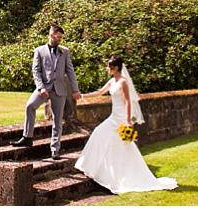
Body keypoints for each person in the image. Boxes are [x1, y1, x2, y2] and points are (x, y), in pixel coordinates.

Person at [74, 56, 178, 194]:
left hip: (121, 117)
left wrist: (128, 121)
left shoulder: (123, 82)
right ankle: (94, 166)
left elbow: (128, 102)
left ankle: (127, 175)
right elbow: (100, 92)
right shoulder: (112, 81)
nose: (107, 69)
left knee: (123, 145)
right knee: (101, 134)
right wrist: (82, 96)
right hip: (113, 116)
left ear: (116, 68)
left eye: (109, 67)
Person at [12, 25, 82, 159]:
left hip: (59, 90)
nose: (60, 39)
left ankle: (55, 150)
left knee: (57, 120)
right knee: (30, 106)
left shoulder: (65, 51)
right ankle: (27, 137)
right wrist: (41, 87)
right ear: (51, 35)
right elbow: (36, 71)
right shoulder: (39, 51)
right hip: (44, 88)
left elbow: (70, 71)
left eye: (61, 37)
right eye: (58, 37)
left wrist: (75, 90)